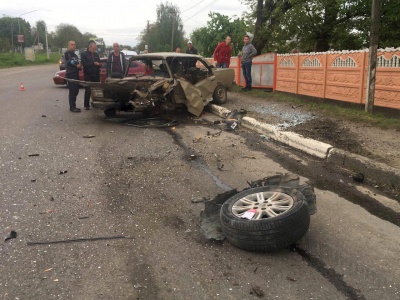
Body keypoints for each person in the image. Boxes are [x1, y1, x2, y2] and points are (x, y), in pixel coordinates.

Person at [80, 40, 102, 110]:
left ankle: (96, 103)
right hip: (88, 75)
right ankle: (86, 105)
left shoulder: (96, 54)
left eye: (95, 49)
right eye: (93, 49)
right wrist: (93, 63)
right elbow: (85, 64)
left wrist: (99, 64)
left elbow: (99, 63)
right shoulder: (84, 54)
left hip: (96, 75)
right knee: (88, 90)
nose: (94, 50)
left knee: (96, 90)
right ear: (89, 47)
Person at [64, 41, 82, 112]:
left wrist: (80, 66)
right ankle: (72, 107)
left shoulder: (75, 55)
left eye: (74, 45)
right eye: (72, 45)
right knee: (72, 90)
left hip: (76, 73)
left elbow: (78, 64)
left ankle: (74, 105)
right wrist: (75, 66)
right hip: (70, 73)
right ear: (68, 46)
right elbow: (67, 63)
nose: (73, 46)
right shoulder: (67, 54)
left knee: (76, 90)